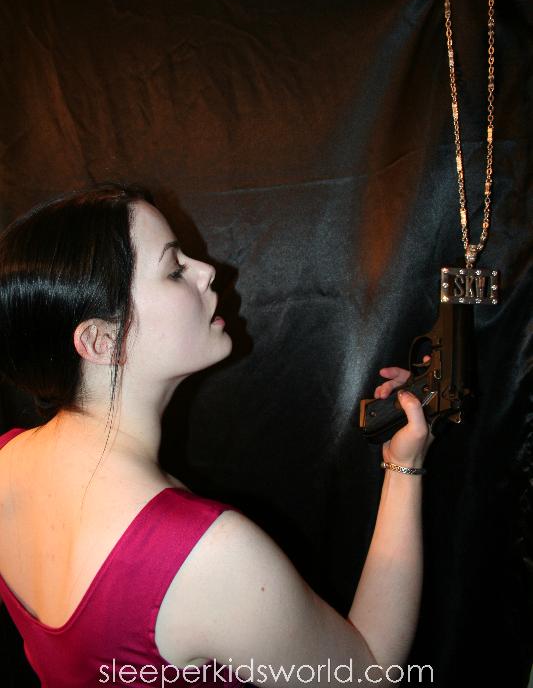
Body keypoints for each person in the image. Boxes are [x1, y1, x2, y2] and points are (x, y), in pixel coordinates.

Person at [0, 184, 433, 687]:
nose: (208, 271)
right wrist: (404, 467)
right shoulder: (205, 555)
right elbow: (369, 675)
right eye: (174, 269)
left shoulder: (7, 461)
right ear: (101, 339)